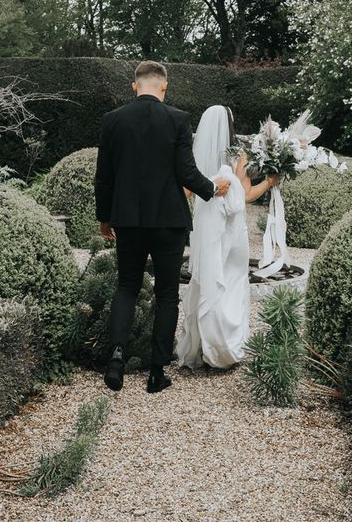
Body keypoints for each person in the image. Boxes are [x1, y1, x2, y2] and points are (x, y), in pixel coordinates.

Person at [95, 61, 231, 394]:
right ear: (164, 87)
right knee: (167, 295)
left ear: (134, 86)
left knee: (126, 286)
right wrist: (213, 189)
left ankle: (116, 358)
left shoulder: (112, 121)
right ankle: (156, 373)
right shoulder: (178, 119)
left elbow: (104, 177)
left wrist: (104, 217)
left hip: (127, 221)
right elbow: (187, 172)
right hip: (169, 221)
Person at [177, 105, 279, 369]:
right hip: (232, 229)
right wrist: (269, 183)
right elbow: (245, 196)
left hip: (205, 227)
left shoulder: (192, 155)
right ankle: (226, 348)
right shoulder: (238, 156)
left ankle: (203, 346)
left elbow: (187, 193)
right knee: (231, 281)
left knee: (206, 277)